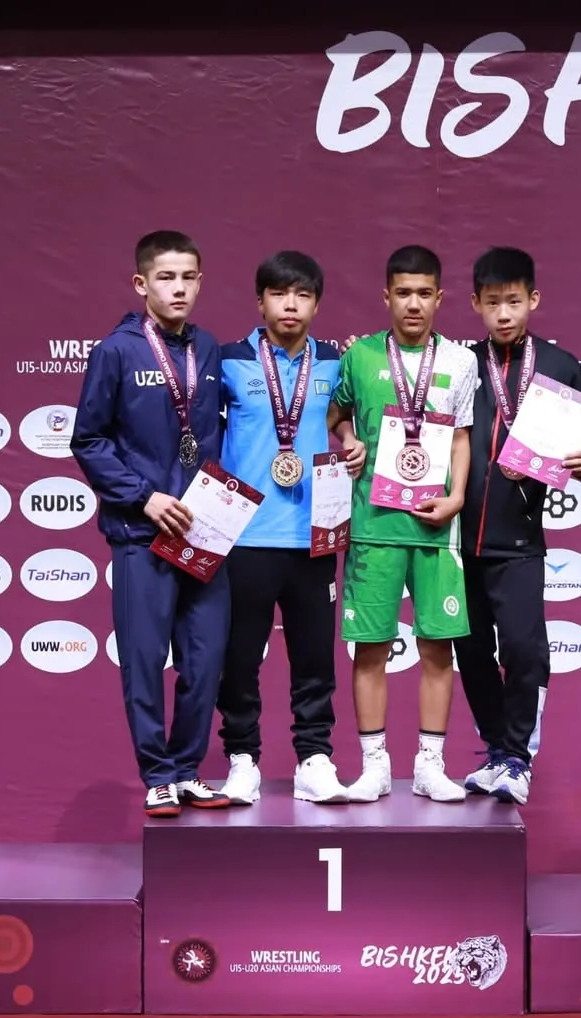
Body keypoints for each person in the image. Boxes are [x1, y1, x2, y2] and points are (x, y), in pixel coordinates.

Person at [71, 229, 231, 818]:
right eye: (166, 278)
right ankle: (157, 775)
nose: (178, 288)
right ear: (142, 284)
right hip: (142, 534)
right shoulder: (116, 351)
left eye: (188, 277)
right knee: (143, 661)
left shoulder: (207, 348)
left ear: (201, 282)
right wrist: (144, 498)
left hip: (203, 535)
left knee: (205, 661)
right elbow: (88, 439)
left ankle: (187, 769)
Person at [456, 246, 581, 805]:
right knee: (471, 652)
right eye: (492, 303)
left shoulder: (560, 365)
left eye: (514, 302)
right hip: (454, 542)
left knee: (525, 651)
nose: (503, 314)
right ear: (475, 303)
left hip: (519, 539)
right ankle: (497, 751)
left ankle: (518, 757)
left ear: (534, 300)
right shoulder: (459, 364)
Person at [327, 245, 477, 803]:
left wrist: (456, 497)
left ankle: (430, 766)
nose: (414, 304)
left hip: (436, 527)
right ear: (386, 296)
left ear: (439, 298)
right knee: (371, 649)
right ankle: (375, 767)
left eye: (424, 294)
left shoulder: (460, 361)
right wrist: (349, 441)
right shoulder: (360, 356)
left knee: (439, 649)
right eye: (403, 293)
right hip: (374, 526)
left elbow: (461, 437)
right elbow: (336, 414)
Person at [215, 251, 349, 805]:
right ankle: (241, 759)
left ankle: (314, 759)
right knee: (239, 657)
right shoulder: (227, 360)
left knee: (315, 657)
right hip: (243, 536)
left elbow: (348, 418)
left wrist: (351, 437)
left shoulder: (336, 363)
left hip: (313, 535)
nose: (290, 305)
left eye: (302, 295)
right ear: (260, 301)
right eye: (278, 293)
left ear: (316, 304)